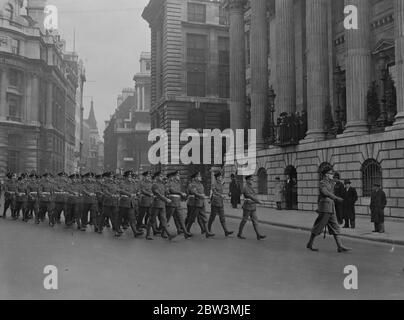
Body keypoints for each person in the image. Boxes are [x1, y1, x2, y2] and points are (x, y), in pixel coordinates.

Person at [306, 164, 351, 253]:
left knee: (335, 226)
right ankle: (310, 243)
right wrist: (336, 198)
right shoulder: (322, 183)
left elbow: (333, 188)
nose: (332, 174)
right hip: (325, 208)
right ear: (326, 174)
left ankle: (340, 246)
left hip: (331, 207)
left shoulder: (331, 182)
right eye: (330, 173)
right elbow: (325, 192)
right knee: (319, 226)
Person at [147, 171, 175, 241]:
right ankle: (148, 234)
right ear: (156, 177)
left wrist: (167, 191)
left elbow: (165, 193)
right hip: (156, 204)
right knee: (152, 219)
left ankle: (169, 234)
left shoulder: (162, 185)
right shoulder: (155, 185)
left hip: (162, 205)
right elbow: (158, 194)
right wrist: (166, 199)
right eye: (160, 176)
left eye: (162, 176)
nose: (162, 177)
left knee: (163, 219)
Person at [237, 175, 266, 240]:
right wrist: (258, 201)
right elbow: (250, 196)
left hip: (253, 206)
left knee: (255, 221)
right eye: (250, 179)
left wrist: (256, 200)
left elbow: (254, 195)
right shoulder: (245, 187)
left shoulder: (251, 187)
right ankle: (239, 233)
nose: (251, 181)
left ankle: (258, 235)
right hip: (247, 206)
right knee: (244, 220)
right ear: (247, 180)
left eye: (252, 179)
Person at [186, 172, 214, 238]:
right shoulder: (192, 185)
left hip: (202, 203)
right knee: (192, 218)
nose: (200, 177)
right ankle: (187, 230)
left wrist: (204, 197)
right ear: (195, 178)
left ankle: (207, 232)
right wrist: (201, 195)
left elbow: (202, 193)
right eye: (199, 176)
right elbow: (194, 192)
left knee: (204, 218)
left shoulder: (201, 184)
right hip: (196, 203)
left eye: (200, 176)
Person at [166, 171, 192, 239]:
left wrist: (183, 196)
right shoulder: (170, 182)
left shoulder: (178, 183)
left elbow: (179, 193)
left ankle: (185, 232)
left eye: (179, 175)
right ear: (174, 176)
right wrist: (180, 193)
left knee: (181, 218)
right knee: (167, 218)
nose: (179, 176)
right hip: (171, 203)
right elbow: (172, 190)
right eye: (177, 175)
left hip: (178, 203)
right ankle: (164, 232)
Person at [208, 172, 234, 237]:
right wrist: (221, 195)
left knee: (222, 218)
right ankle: (208, 230)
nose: (221, 178)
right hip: (215, 203)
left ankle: (226, 231)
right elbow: (214, 192)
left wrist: (227, 194)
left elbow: (221, 192)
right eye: (220, 177)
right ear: (217, 178)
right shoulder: (214, 184)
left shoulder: (220, 184)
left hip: (220, 203)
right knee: (212, 217)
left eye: (221, 177)